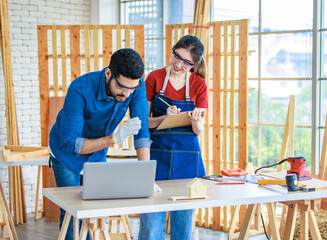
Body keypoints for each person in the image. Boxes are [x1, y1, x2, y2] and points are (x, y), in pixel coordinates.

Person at [48, 48, 151, 240]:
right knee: (72, 214)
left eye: (132, 89)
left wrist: (145, 175)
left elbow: (142, 130)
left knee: (93, 214)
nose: (127, 94)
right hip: (66, 155)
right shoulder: (80, 88)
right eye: (122, 87)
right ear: (109, 73)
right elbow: (72, 144)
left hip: (96, 154)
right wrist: (114, 139)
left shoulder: (135, 85)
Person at [139, 35, 208, 240]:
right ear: (172, 51)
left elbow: (199, 130)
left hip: (187, 160)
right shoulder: (155, 78)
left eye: (187, 62)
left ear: (194, 64)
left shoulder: (199, 85)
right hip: (156, 157)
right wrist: (164, 118)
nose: (178, 64)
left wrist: (195, 121)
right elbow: (143, 122)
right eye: (176, 56)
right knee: (152, 225)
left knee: (183, 226)